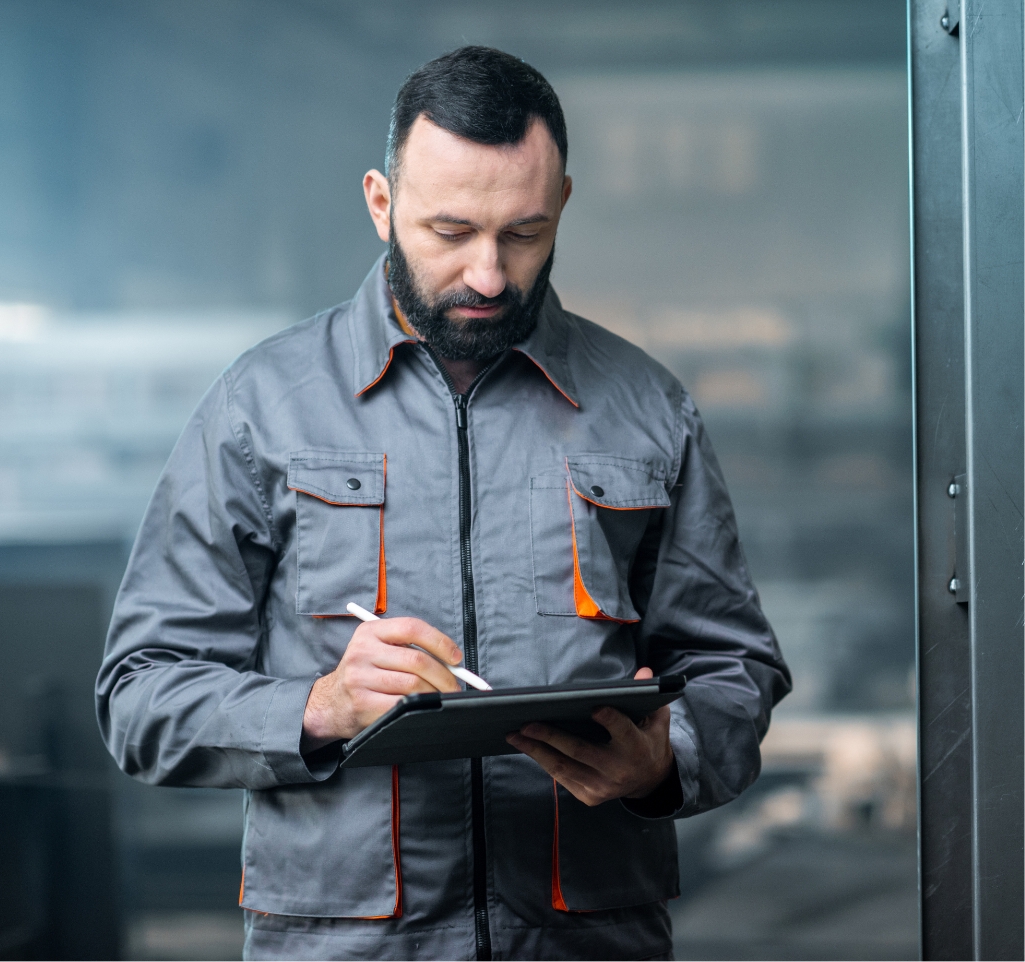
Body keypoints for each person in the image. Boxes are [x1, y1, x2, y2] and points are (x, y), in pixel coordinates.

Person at [97, 46, 790, 961]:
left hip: (585, 939)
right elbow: (139, 693)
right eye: (450, 232)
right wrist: (319, 706)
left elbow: (734, 667)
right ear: (381, 204)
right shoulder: (259, 406)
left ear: (563, 206)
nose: (490, 275)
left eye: (524, 233)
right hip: (345, 945)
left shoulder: (645, 407)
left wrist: (666, 760)